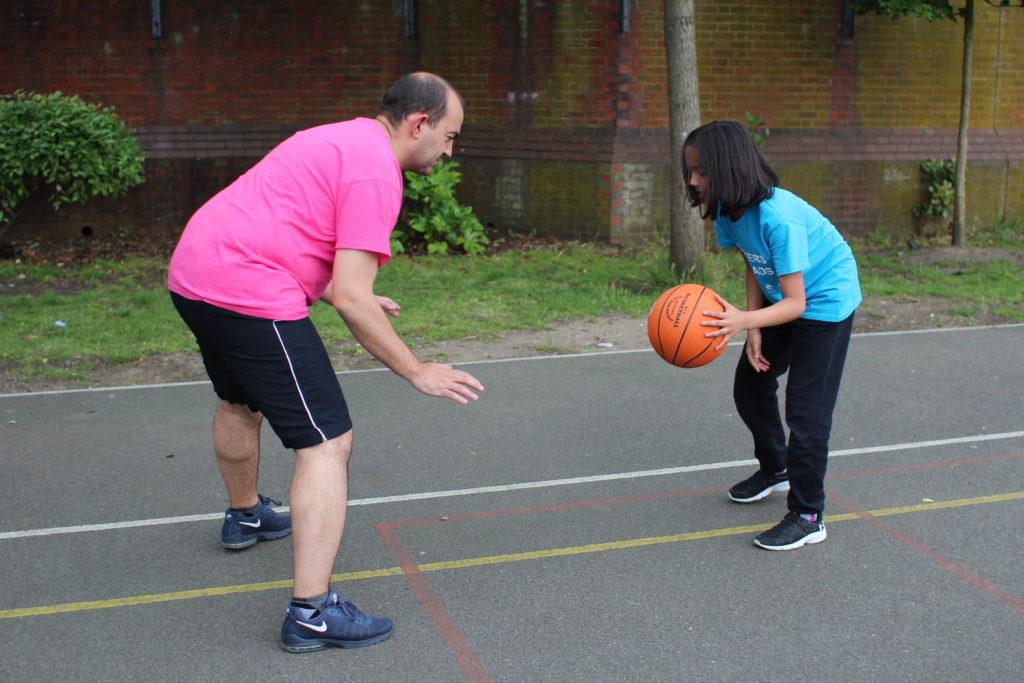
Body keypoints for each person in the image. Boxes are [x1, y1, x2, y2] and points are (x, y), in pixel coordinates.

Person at [167, 72, 484, 652]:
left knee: (239, 399)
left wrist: (347, 288)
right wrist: (418, 370)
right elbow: (351, 299)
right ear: (420, 123)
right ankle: (311, 612)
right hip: (246, 292)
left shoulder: (342, 138)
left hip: (195, 274)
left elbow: (295, 228)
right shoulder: (375, 174)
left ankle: (247, 516)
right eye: (450, 135)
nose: (450, 147)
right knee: (326, 442)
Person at [682, 120, 861, 551]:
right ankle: (776, 467)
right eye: (690, 170)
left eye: (702, 170)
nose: (693, 180)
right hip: (780, 299)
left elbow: (798, 303)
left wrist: (745, 320)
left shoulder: (779, 218)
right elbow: (753, 260)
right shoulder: (729, 209)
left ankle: (808, 514)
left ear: (729, 167)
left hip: (825, 304)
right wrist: (754, 321)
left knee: (806, 412)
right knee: (750, 384)